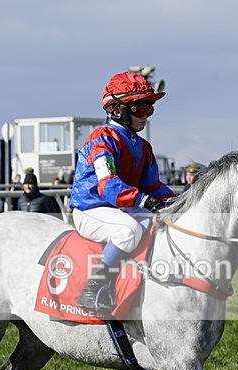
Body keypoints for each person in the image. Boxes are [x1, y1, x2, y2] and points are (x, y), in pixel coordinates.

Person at [70, 71, 174, 312]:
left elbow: (153, 186)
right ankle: (93, 288)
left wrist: (177, 202)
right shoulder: (102, 138)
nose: (145, 116)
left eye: (150, 110)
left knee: (163, 224)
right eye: (139, 109)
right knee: (128, 231)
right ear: (117, 110)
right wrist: (143, 200)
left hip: (122, 208)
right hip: (91, 208)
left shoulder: (143, 146)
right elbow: (107, 185)